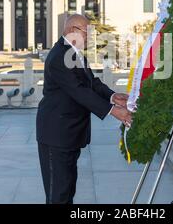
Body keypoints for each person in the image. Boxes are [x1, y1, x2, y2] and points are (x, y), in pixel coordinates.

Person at [36, 14, 133, 204]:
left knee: (67, 189)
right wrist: (113, 110)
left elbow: (91, 83)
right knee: (58, 195)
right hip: (57, 134)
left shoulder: (73, 52)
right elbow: (78, 91)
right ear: (72, 31)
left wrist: (113, 96)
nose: (89, 36)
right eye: (86, 32)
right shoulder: (59, 56)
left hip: (69, 134)